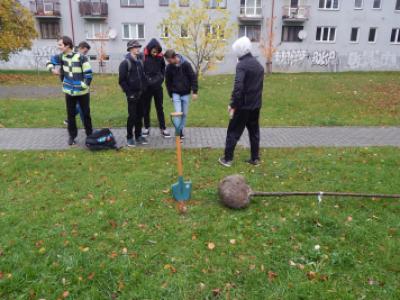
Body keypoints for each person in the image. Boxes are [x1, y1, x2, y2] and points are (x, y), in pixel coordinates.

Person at [219, 36, 264, 167]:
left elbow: (239, 87)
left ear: (239, 50)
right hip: (255, 105)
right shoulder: (258, 65)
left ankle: (227, 159)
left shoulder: (241, 65)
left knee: (233, 132)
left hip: (243, 106)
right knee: (254, 132)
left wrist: (233, 105)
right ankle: (255, 158)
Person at [46, 36, 93, 145]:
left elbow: (89, 74)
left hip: (82, 93)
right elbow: (49, 61)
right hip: (68, 92)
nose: (59, 47)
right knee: (70, 115)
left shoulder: (81, 57)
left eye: (60, 45)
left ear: (67, 45)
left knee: (86, 114)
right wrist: (52, 69)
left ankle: (89, 135)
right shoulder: (61, 57)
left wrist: (84, 86)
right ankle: (72, 136)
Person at [118, 40, 148, 147]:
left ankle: (138, 135)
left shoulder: (140, 61)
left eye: (138, 47)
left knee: (140, 116)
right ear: (130, 49)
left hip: (141, 94)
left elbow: (143, 77)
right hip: (132, 95)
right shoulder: (125, 63)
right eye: (136, 47)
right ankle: (129, 137)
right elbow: (121, 81)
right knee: (132, 116)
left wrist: (144, 88)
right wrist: (129, 93)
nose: (138, 49)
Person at [164, 49, 198, 140]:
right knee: (178, 113)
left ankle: (181, 129)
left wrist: (194, 92)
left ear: (174, 57)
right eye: (167, 61)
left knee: (184, 114)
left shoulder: (186, 65)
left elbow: (193, 77)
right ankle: (179, 132)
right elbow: (167, 82)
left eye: (169, 60)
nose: (168, 62)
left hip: (186, 93)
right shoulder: (169, 67)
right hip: (175, 93)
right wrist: (171, 95)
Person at [141, 39, 170, 138]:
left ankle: (163, 128)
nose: (155, 53)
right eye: (154, 51)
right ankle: (146, 127)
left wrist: (160, 79)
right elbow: (141, 71)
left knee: (160, 108)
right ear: (150, 49)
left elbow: (163, 70)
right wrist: (147, 81)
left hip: (157, 87)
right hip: (146, 88)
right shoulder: (143, 57)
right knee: (146, 108)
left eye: (157, 51)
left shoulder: (160, 58)